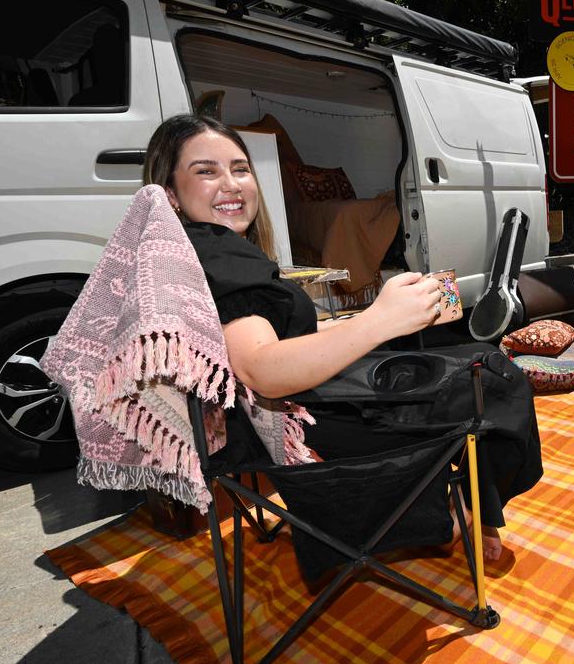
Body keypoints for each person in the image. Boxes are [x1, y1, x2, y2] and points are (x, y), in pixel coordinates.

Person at [144, 113, 542, 562]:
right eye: (206, 171)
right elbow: (262, 369)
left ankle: (469, 510)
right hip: (315, 425)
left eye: (240, 169)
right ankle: (460, 515)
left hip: (276, 421)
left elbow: (280, 336)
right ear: (171, 194)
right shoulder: (217, 253)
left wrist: (377, 318)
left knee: (447, 358)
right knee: (493, 376)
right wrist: (379, 323)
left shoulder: (195, 251)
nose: (232, 184)